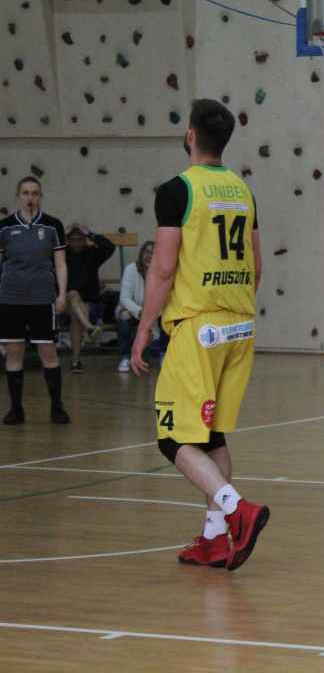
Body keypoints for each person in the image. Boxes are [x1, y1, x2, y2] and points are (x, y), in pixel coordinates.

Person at [131, 99, 269, 572]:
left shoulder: (178, 189)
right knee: (212, 435)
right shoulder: (243, 190)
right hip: (240, 325)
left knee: (172, 438)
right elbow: (257, 267)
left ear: (190, 135)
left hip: (199, 328)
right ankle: (213, 539)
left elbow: (163, 268)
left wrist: (144, 327)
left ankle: (237, 510)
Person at [0, 176, 70, 425]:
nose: (30, 197)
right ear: (18, 196)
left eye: (35, 193)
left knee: (47, 350)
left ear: (40, 196)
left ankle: (57, 408)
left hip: (42, 297)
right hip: (10, 298)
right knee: (14, 351)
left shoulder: (53, 226)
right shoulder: (4, 227)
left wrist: (62, 294)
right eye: (26, 193)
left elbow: (60, 264)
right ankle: (16, 410)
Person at [63, 224, 116, 373]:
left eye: (80, 239)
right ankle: (89, 328)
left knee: (76, 316)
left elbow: (109, 247)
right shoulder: (62, 254)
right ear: (67, 240)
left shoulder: (92, 253)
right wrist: (62, 235)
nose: (76, 243)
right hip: (65, 302)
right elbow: (46, 252)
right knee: (73, 294)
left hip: (88, 303)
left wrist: (90, 233)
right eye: (72, 240)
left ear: (85, 239)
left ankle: (75, 362)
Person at [116, 240, 167, 373]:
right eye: (147, 252)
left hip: (156, 314)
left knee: (168, 314)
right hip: (133, 311)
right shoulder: (130, 269)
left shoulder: (162, 272)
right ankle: (125, 357)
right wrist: (140, 311)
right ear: (141, 253)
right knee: (124, 315)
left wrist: (151, 314)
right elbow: (124, 298)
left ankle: (164, 353)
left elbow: (165, 300)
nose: (149, 256)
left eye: (153, 253)